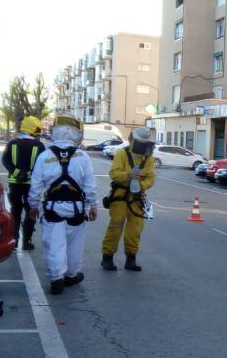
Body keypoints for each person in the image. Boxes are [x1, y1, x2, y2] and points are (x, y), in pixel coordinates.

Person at [28, 115, 99, 295]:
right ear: (76, 136)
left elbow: (35, 184)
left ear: (55, 133)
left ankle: (56, 279)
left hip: (53, 208)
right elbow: (90, 185)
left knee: (54, 244)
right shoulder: (83, 157)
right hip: (76, 209)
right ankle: (72, 274)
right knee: (75, 244)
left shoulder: (45, 156)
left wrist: (33, 205)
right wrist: (93, 205)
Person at [101, 126, 157, 272]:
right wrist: (128, 176)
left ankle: (131, 258)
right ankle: (107, 257)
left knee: (136, 228)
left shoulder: (148, 157)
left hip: (137, 197)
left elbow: (151, 177)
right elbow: (114, 173)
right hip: (120, 196)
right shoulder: (121, 153)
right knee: (116, 225)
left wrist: (141, 185)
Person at [1, 115, 45, 250]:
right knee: (31, 211)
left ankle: (14, 241)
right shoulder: (39, 146)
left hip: (14, 184)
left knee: (15, 211)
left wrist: (16, 173)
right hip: (31, 185)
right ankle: (27, 241)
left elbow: (5, 161)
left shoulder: (11, 143)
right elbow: (41, 165)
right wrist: (27, 175)